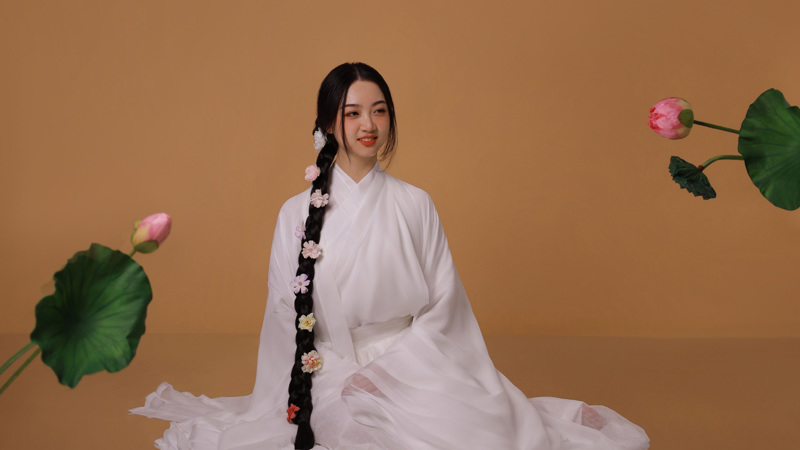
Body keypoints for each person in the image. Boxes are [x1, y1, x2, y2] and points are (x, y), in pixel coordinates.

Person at [131, 62, 650, 450]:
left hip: (414, 362)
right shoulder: (295, 212)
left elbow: (445, 305)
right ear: (328, 124)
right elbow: (284, 310)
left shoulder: (414, 203)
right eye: (353, 112)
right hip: (329, 367)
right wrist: (336, 371)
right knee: (356, 433)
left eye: (379, 110)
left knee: (478, 435)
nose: (368, 124)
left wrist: (389, 371)